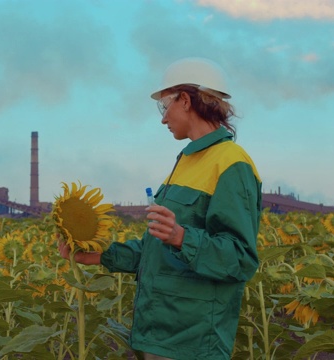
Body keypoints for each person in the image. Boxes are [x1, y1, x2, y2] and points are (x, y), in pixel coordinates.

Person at [58, 57, 262, 360]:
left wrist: (182, 237)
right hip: (158, 332)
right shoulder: (186, 163)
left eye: (164, 106)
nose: (163, 119)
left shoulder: (231, 163)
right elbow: (156, 250)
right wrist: (97, 256)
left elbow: (240, 259)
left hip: (192, 340)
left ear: (184, 100)